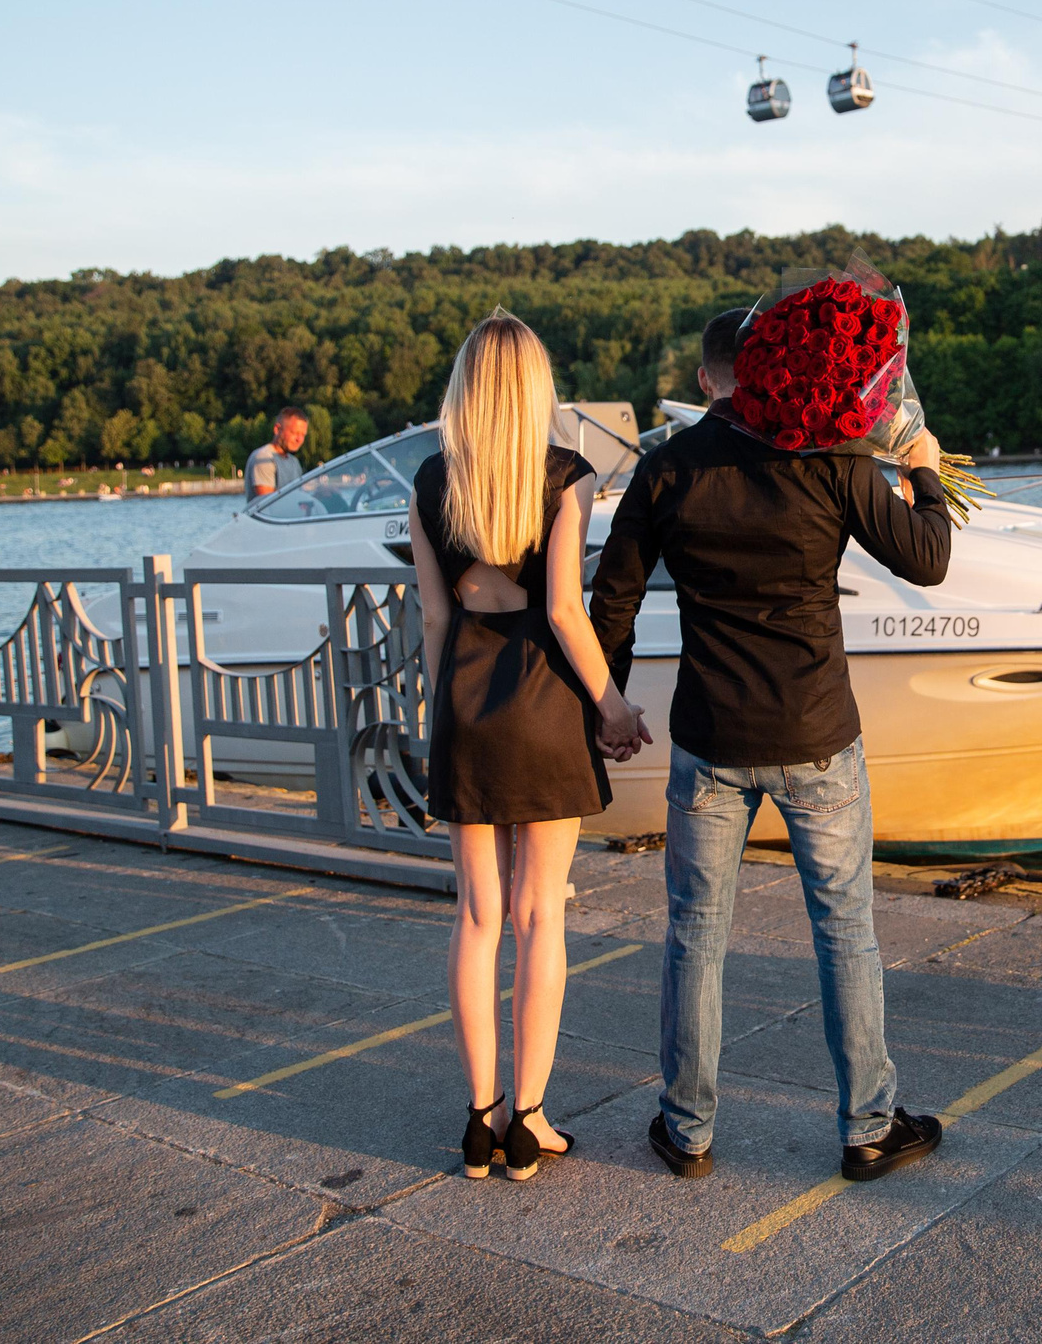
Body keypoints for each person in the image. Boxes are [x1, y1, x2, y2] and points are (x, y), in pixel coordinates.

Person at [589, 308, 952, 1183]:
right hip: (816, 733)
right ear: (777, 363)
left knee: (694, 933)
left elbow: (614, 599)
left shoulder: (668, 467)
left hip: (709, 737)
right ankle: (868, 1127)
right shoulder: (830, 459)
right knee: (845, 931)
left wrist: (608, 705)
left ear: (707, 378)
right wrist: (924, 469)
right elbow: (928, 558)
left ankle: (687, 1128)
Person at [408, 313, 649, 1183]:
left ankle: (481, 1118)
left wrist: (444, 715)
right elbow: (562, 611)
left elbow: (436, 617)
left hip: (467, 703)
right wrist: (613, 705)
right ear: (535, 387)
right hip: (544, 704)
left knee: (477, 917)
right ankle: (531, 1121)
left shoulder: (432, 477)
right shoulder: (565, 476)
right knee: (541, 914)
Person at [243, 408, 310, 499]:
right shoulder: (263, 458)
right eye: (294, 433)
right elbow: (268, 502)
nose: (299, 439)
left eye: (303, 435)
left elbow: (299, 498)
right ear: (277, 429)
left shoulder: (294, 461)